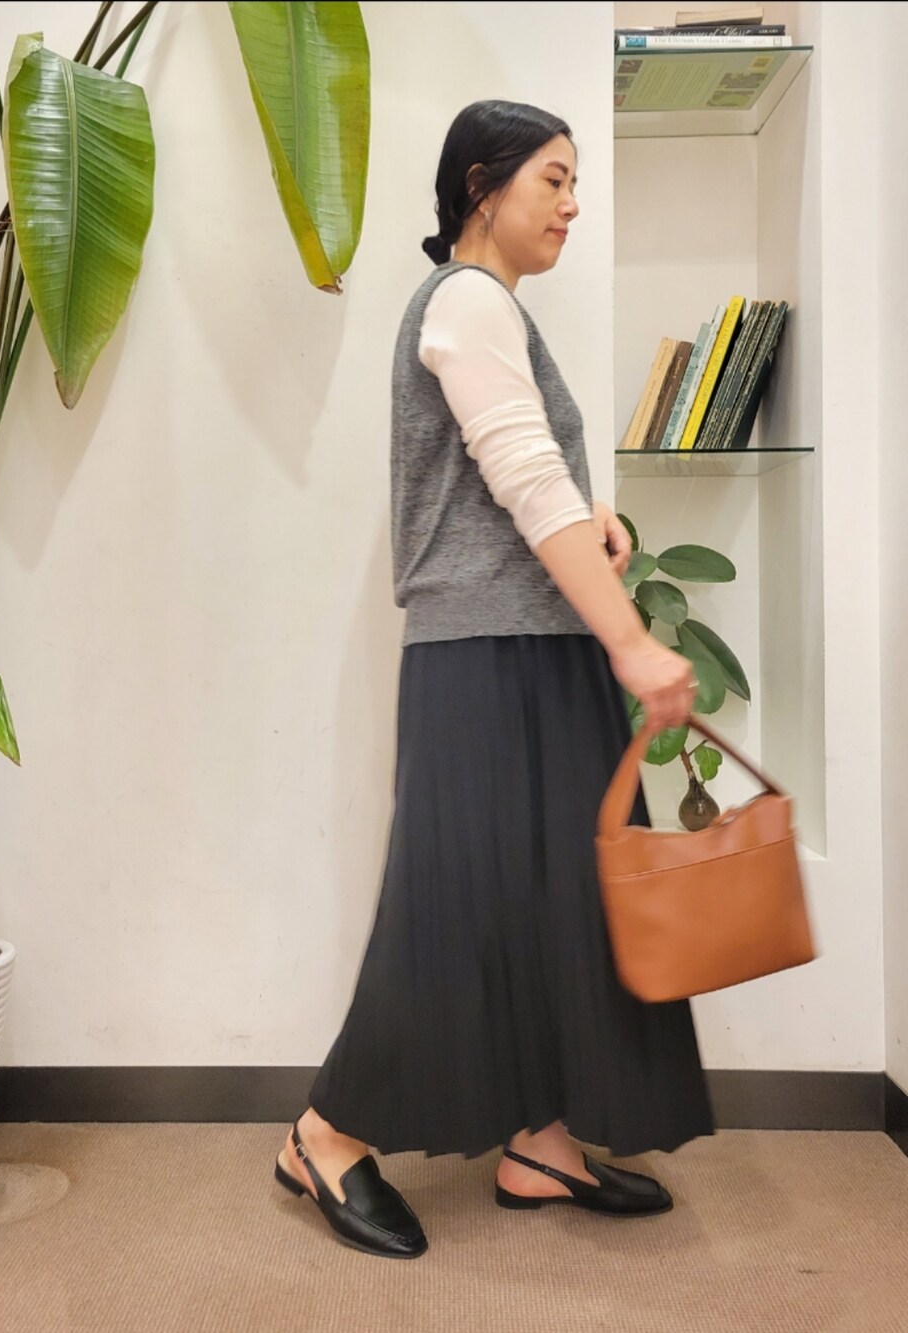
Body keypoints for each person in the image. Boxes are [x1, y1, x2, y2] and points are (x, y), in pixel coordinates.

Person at [274, 100, 714, 1259]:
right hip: (485, 653)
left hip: (532, 641)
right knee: (457, 906)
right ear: (482, 184)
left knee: (562, 898)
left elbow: (518, 473)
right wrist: (632, 642)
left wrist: (592, 514)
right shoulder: (465, 300)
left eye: (575, 183)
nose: (572, 204)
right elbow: (517, 474)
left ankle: (540, 1141)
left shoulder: (493, 310)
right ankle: (324, 1134)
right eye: (552, 180)